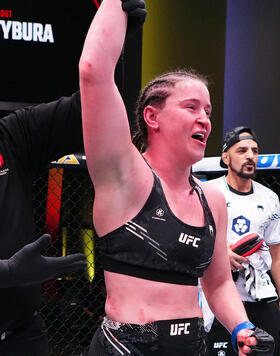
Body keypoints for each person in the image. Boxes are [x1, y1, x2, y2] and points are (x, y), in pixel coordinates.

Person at [79, 0, 274, 354]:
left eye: (209, 111)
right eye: (191, 107)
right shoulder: (125, 177)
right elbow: (93, 71)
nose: (205, 119)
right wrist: (115, 4)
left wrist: (241, 327)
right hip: (126, 347)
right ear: (152, 117)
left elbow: (216, 284)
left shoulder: (211, 198)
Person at [0, 91, 86, 355]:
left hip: (22, 334)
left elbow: (87, 104)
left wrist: (100, 61)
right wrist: (7, 272)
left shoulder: (10, 135)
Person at [206, 126, 280, 356]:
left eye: (255, 151)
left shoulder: (270, 198)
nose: (250, 156)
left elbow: (277, 254)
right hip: (219, 293)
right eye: (242, 150)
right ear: (225, 157)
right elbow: (189, 243)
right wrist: (219, 254)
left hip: (260, 292)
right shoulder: (208, 192)